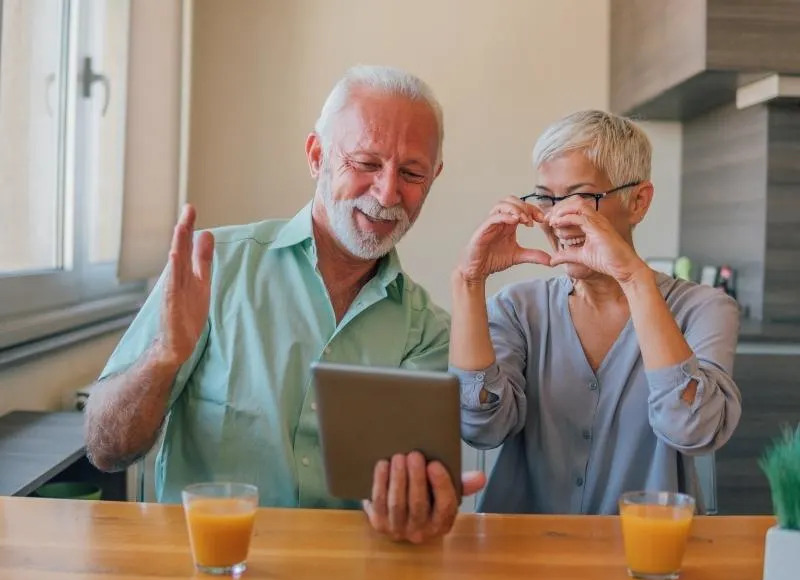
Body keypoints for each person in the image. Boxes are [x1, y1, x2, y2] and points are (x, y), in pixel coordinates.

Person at [85, 65, 485, 543]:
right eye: (366, 163)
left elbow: (406, 503)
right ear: (317, 156)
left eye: (412, 172)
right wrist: (163, 357)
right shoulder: (213, 269)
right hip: (204, 571)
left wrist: (416, 511)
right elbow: (105, 450)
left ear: (434, 177)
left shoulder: (428, 333)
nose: (387, 192)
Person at [449, 109, 742, 515]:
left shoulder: (705, 309)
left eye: (581, 197)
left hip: (645, 554)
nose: (558, 218)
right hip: (520, 554)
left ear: (638, 202)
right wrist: (468, 280)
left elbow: (693, 429)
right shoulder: (517, 309)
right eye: (547, 198)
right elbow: (481, 428)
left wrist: (633, 279)